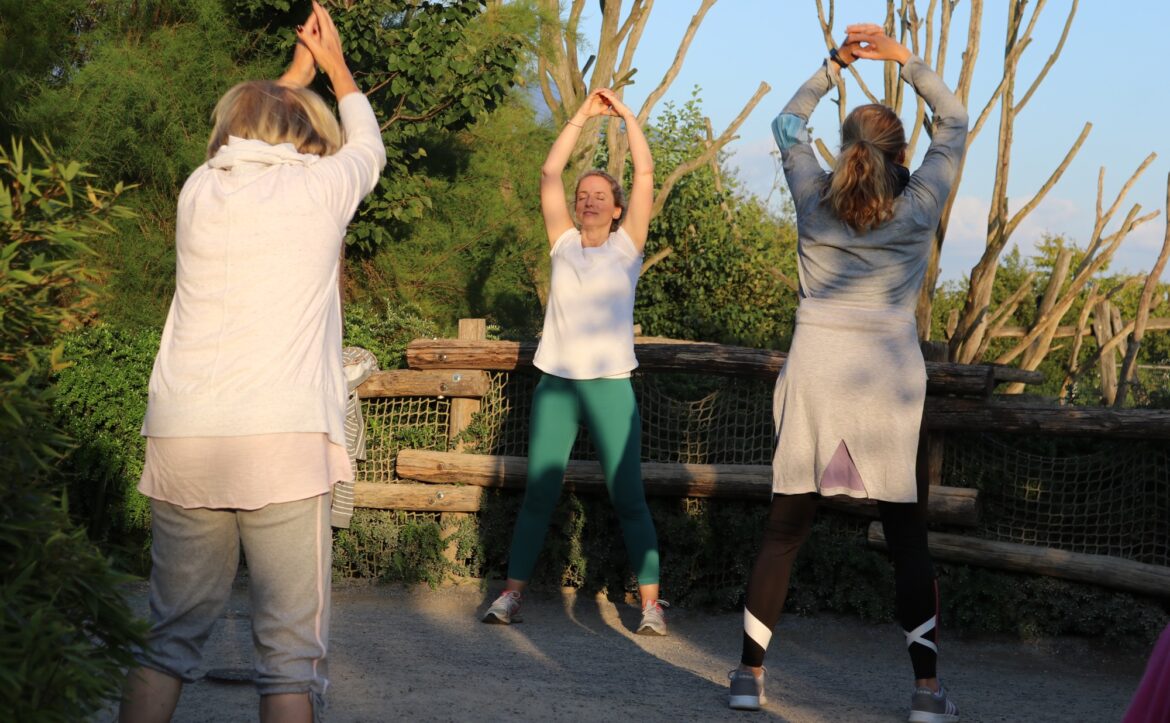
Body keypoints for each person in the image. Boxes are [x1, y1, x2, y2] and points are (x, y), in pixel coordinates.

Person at [118, 3, 385, 721]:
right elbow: (367, 144)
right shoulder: (321, 189)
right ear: (306, 132)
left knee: (168, 638)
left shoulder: (198, 191)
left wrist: (289, 78)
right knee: (289, 661)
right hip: (282, 440)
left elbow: (239, 135)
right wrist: (334, 69)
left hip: (184, 439)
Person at [726, 25, 968, 723]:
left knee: (784, 527)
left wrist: (835, 65)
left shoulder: (812, 196)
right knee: (908, 537)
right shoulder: (921, 205)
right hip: (888, 375)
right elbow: (953, 122)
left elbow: (784, 122)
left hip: (816, 368)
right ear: (899, 153)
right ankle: (925, 693)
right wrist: (906, 62)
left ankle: (748, 676)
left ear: (843, 147)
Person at [480, 88, 667, 635]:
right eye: (582, 193)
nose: (586, 200)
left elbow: (648, 175)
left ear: (616, 206)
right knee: (539, 493)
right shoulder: (561, 243)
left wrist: (628, 118)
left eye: (598, 194)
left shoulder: (627, 246)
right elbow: (547, 172)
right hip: (557, 384)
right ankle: (512, 594)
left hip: (609, 385)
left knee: (628, 494)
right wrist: (582, 116)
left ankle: (652, 604)